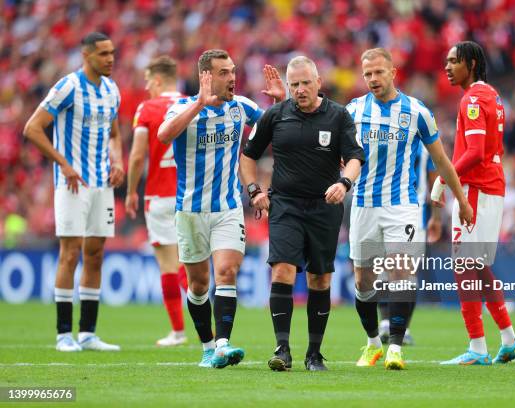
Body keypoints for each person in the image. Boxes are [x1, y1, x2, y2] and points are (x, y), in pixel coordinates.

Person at [346, 48, 473, 370]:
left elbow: (441, 161)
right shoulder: (353, 111)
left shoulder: (416, 111)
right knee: (363, 281)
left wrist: (460, 199)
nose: (373, 79)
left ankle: (396, 348)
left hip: (402, 205)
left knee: (402, 273)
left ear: (393, 73)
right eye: (368, 74)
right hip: (363, 205)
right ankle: (374, 343)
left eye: (378, 72)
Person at [157, 49, 284, 368]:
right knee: (198, 285)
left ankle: (224, 343)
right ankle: (207, 347)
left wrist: (281, 103)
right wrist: (200, 102)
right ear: (206, 77)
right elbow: (163, 135)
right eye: (224, 72)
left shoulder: (241, 107)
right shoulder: (184, 107)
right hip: (189, 210)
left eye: (233, 71)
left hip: (227, 209)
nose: (232, 77)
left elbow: (283, 125)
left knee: (227, 271)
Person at [241, 55, 365, 372]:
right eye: (293, 84)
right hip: (285, 205)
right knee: (281, 270)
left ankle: (314, 354)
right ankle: (282, 349)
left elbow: (354, 157)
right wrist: (254, 190)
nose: (299, 89)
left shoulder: (338, 116)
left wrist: (344, 183)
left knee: (319, 277)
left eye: (305, 83)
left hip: (325, 206)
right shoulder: (275, 115)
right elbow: (247, 155)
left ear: (318, 82)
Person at [23, 32, 123, 352]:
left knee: (95, 254)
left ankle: (88, 334)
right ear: (86, 55)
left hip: (102, 185)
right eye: (104, 54)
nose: (110, 58)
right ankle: (63, 334)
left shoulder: (111, 90)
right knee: (70, 253)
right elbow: (32, 128)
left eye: (112, 53)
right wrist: (64, 164)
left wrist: (118, 160)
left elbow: (115, 132)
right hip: (72, 184)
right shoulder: (69, 86)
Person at [436, 40, 515, 365]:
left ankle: (477, 347)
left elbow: (474, 152)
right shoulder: (492, 95)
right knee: (478, 266)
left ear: (471, 64)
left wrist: (443, 178)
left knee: (463, 266)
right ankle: (509, 339)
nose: (447, 66)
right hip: (492, 186)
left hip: (476, 189)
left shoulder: (473, 98)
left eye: (453, 61)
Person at [125, 55, 189, 347]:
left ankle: (178, 332)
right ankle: (210, 331)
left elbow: (138, 155)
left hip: (160, 197)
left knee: (168, 266)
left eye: (149, 81)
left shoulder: (148, 108)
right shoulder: (192, 104)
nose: (147, 87)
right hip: (190, 195)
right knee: (192, 263)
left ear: (159, 79)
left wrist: (130, 191)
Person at [377, 146, 442, 346]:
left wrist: (436, 217)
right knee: (383, 270)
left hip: (415, 216)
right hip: (384, 212)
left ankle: (403, 327)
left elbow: (434, 183)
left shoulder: (425, 147)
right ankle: (386, 322)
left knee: (407, 273)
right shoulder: (391, 137)